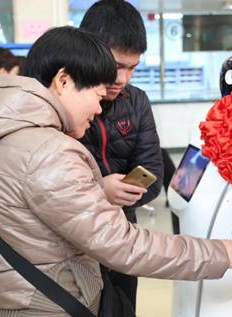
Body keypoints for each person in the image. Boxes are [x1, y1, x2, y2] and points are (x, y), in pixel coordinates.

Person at [0, 26, 232, 317]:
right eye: (98, 96)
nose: (99, 109)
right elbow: (122, 246)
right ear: (64, 81)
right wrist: (215, 254)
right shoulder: (48, 151)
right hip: (43, 305)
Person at [79, 0, 163, 308]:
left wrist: (117, 194)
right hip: (74, 243)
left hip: (123, 235)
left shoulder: (137, 102)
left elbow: (152, 174)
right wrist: (101, 190)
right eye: (116, 67)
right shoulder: (66, 103)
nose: (122, 79)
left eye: (132, 68)